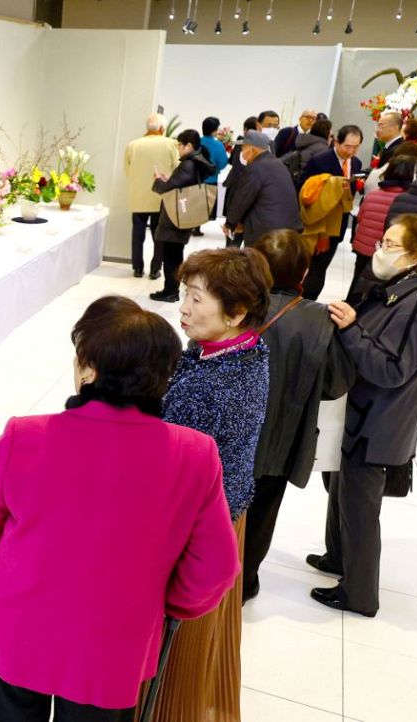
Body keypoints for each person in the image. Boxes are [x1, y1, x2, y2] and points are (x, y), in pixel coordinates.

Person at [0, 296, 240, 721]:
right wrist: (164, 604)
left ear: (88, 365)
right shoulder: (195, 455)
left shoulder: (27, 437)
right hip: (114, 647)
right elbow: (215, 568)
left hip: (13, 630)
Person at [310, 213, 417, 617]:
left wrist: (352, 329)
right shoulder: (401, 290)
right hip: (363, 416)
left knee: (359, 509)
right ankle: (336, 557)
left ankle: (358, 595)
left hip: (379, 424)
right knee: (341, 491)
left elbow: (392, 369)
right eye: (382, 242)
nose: (380, 250)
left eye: (390, 245)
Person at [154, 247, 271, 722]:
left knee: (178, 654)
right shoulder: (246, 349)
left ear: (237, 312)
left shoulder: (213, 387)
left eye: (197, 298)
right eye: (185, 294)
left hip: (194, 532)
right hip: (229, 512)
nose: (183, 307)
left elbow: (166, 471)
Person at [244, 230, 355, 603]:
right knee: (263, 507)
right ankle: (246, 580)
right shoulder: (319, 320)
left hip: (229, 427)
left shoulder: (232, 305)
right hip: (283, 435)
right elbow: (334, 384)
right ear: (304, 272)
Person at [150, 129, 217, 303]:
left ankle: (170, 291)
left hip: (175, 218)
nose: (178, 148)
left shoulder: (188, 164)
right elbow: (177, 185)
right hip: (182, 215)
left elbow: (169, 188)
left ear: (188, 145)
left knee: (171, 255)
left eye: (180, 145)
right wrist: (168, 180)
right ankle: (171, 289)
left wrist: (159, 181)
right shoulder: (195, 162)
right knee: (175, 253)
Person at [300, 125, 364, 300]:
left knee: (320, 268)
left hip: (338, 225)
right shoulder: (320, 161)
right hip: (317, 224)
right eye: (347, 146)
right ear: (336, 142)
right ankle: (296, 300)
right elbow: (305, 190)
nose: (351, 151)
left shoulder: (356, 163)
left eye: (356, 147)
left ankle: (308, 302)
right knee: (303, 266)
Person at [348, 159, 415, 303]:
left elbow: (360, 217)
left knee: (357, 282)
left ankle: (350, 304)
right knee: (376, 287)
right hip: (384, 251)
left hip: (362, 246)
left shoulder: (373, 194)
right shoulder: (406, 200)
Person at [125, 113, 181, 279]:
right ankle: (155, 268)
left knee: (138, 234)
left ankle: (137, 267)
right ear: (162, 128)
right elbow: (177, 168)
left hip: (138, 196)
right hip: (161, 196)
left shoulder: (132, 145)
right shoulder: (171, 144)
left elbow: (127, 171)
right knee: (159, 236)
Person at [223, 130, 302, 245]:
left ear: (252, 149)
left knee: (259, 262)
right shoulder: (278, 164)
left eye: (243, 148)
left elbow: (242, 199)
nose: (242, 153)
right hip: (288, 230)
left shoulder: (255, 168)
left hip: (265, 234)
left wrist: (230, 224)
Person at [223, 116, 261, 246]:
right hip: (250, 197)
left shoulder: (240, 144)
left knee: (232, 240)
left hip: (235, 193)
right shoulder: (261, 150)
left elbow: (232, 161)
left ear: (245, 129)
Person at [198, 116, 231, 232]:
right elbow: (223, 163)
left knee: (194, 203)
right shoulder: (218, 145)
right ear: (215, 130)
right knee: (206, 206)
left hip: (195, 179)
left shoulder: (196, 142)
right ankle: (198, 227)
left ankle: (193, 226)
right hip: (211, 180)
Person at [283, 118, 333, 188]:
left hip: (292, 182)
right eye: (331, 136)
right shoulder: (323, 150)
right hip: (306, 188)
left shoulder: (304, 142)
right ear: (326, 134)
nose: (331, 139)